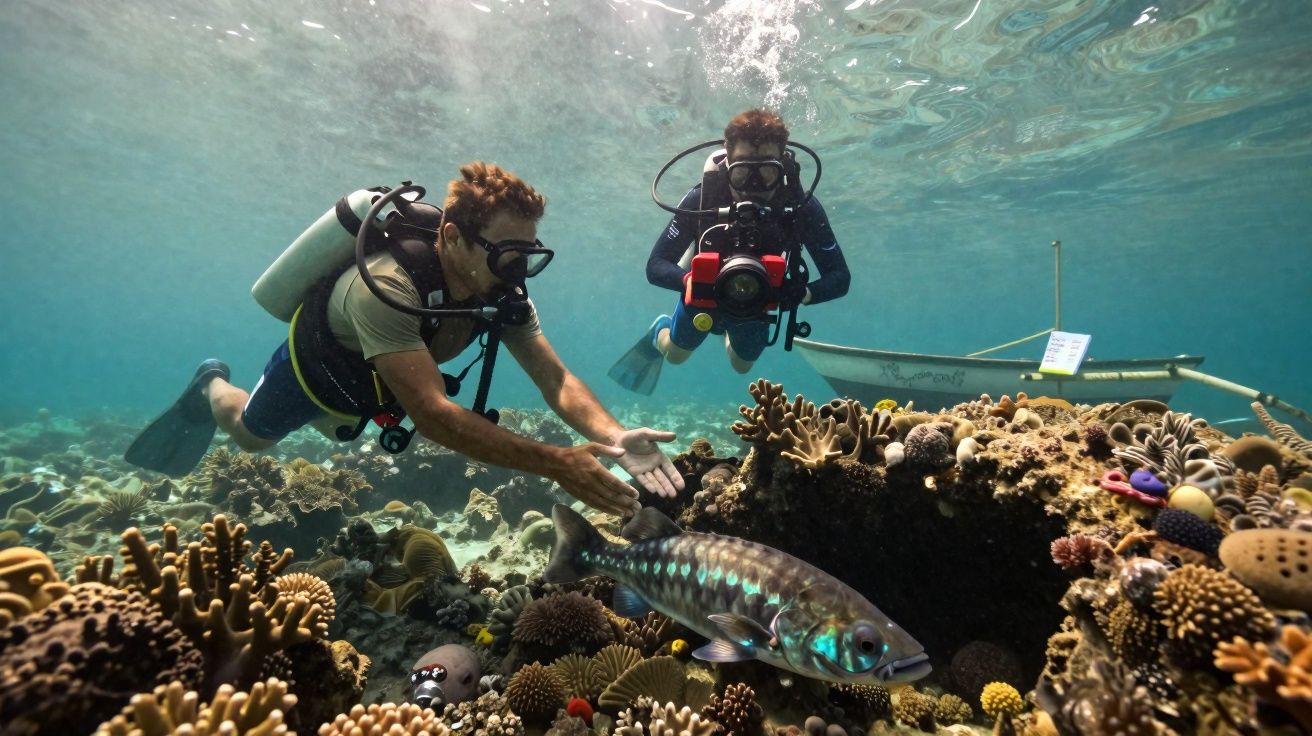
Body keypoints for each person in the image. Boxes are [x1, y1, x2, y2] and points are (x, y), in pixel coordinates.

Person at [126, 162, 683, 516]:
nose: (518, 268)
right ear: (452, 238)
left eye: (528, 254)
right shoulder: (388, 287)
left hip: (378, 391)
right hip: (318, 376)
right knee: (250, 436)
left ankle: (305, 415)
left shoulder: (500, 289)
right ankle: (210, 384)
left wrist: (614, 437)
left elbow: (556, 379)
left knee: (339, 435)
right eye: (506, 252)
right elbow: (435, 416)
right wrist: (559, 462)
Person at [609, 108, 851, 395]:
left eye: (767, 174)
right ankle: (659, 331)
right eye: (743, 174)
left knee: (742, 366)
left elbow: (840, 277)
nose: (754, 188)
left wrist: (800, 294)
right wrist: (689, 282)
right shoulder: (703, 198)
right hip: (703, 292)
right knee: (675, 355)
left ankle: (728, 327)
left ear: (783, 167)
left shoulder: (800, 207)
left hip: (758, 297)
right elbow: (656, 264)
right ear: (728, 161)